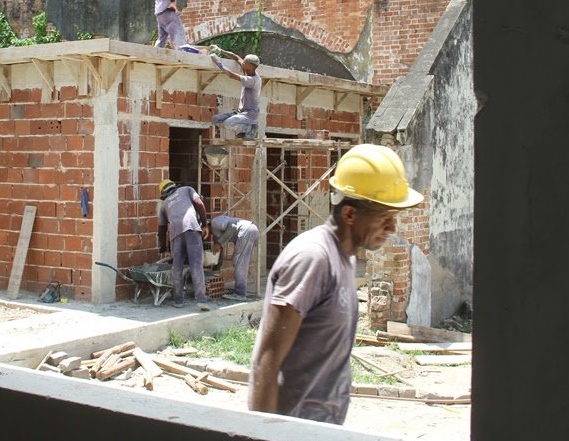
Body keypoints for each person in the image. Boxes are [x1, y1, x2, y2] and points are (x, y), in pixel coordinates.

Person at [247, 144, 423, 424]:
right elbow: (266, 364)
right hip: (292, 437)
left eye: (394, 218)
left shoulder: (345, 259)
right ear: (350, 214)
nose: (392, 228)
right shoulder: (313, 258)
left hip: (320, 435)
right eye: (384, 218)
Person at [157, 178, 212, 311]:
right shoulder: (187, 189)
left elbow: (162, 229)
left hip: (175, 233)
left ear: (163, 193)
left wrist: (163, 248)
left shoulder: (164, 204)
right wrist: (205, 224)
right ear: (174, 186)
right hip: (192, 227)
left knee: (177, 266)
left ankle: (178, 300)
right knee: (196, 264)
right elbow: (199, 203)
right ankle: (201, 300)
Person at [209, 46, 262, 138]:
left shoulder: (253, 80)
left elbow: (231, 75)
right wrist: (220, 50)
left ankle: (250, 128)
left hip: (250, 115)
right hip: (240, 113)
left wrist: (218, 63)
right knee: (215, 119)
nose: (243, 63)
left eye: (245, 62)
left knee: (227, 123)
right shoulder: (248, 70)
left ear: (250, 66)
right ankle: (244, 130)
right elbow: (236, 57)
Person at [209, 214, 260, 301]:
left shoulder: (215, 222)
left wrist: (219, 243)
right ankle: (239, 290)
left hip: (246, 231)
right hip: (250, 230)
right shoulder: (215, 231)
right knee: (241, 261)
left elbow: (232, 227)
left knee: (239, 262)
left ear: (206, 225)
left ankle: (240, 292)